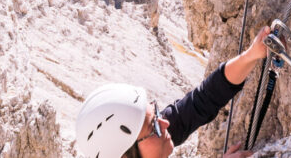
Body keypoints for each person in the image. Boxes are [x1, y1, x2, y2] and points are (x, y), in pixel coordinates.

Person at [75, 26, 271, 158]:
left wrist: (251, 55)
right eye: (154, 126)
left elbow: (203, 100)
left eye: (156, 114)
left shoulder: (154, 133)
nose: (165, 122)